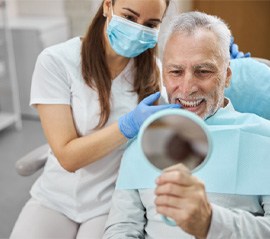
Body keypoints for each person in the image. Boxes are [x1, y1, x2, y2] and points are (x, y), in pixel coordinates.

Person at [10, 0, 181, 238]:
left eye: (151, 24)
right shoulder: (57, 61)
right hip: (55, 198)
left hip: (110, 202)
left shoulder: (155, 72)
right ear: (107, 6)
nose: (138, 30)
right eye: (130, 18)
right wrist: (128, 125)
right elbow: (68, 157)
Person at [103, 12, 270, 238]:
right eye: (176, 72)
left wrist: (211, 222)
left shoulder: (264, 139)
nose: (188, 87)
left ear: (227, 76)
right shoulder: (143, 141)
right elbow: (121, 227)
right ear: (164, 77)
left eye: (203, 71)